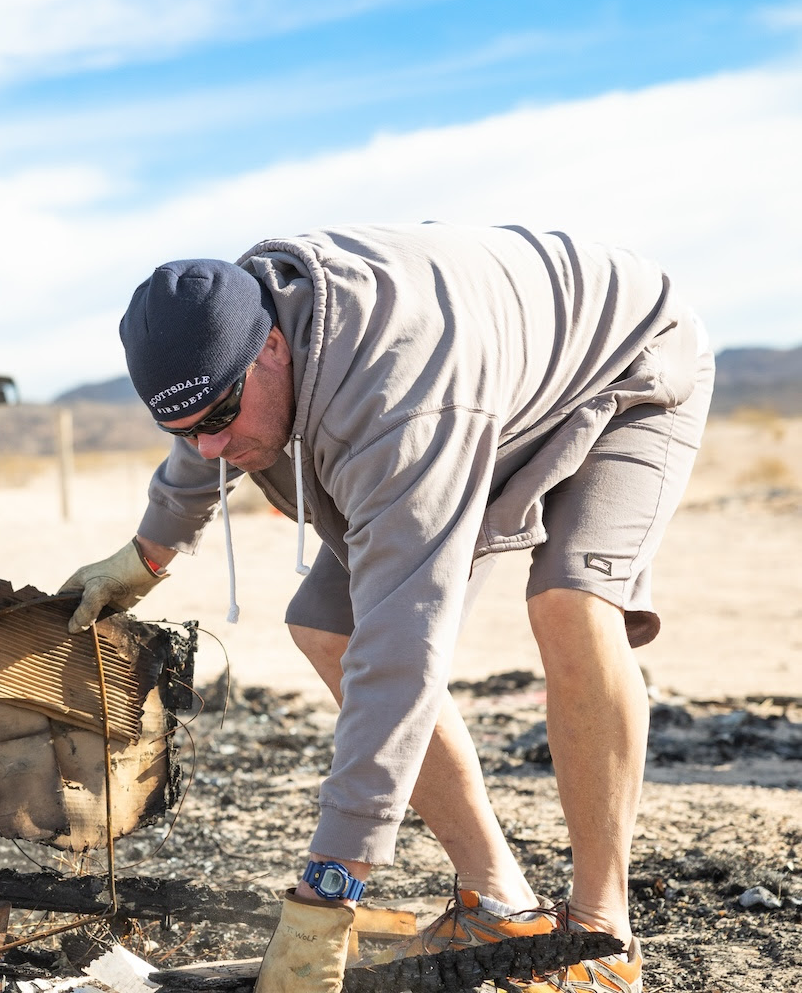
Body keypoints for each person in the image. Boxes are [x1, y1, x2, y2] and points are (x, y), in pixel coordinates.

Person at [60, 223, 713, 993]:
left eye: (219, 417)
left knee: (569, 602)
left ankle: (601, 940)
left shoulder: (398, 404)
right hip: (486, 387)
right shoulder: (230, 328)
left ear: (273, 347)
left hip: (628, 358)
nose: (208, 446)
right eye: (183, 429)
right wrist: (145, 557)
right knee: (324, 628)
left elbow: (401, 656)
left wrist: (329, 889)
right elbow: (206, 426)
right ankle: (501, 905)